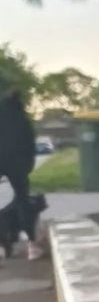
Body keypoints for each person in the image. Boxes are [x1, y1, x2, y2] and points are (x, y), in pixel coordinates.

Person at [0, 90, 44, 259]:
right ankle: (32, 245)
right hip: (18, 165)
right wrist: (28, 166)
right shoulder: (22, 120)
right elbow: (30, 145)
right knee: (22, 200)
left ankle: (2, 245)